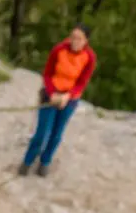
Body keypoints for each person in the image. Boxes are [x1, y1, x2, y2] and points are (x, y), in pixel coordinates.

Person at [19, 24, 96, 177]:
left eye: (79, 39)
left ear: (86, 40)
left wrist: (68, 96)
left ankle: (45, 161)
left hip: (70, 99)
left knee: (56, 134)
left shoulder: (89, 57)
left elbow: (82, 82)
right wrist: (52, 93)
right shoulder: (59, 50)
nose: (74, 41)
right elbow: (47, 73)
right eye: (73, 37)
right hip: (51, 94)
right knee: (42, 132)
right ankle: (27, 161)